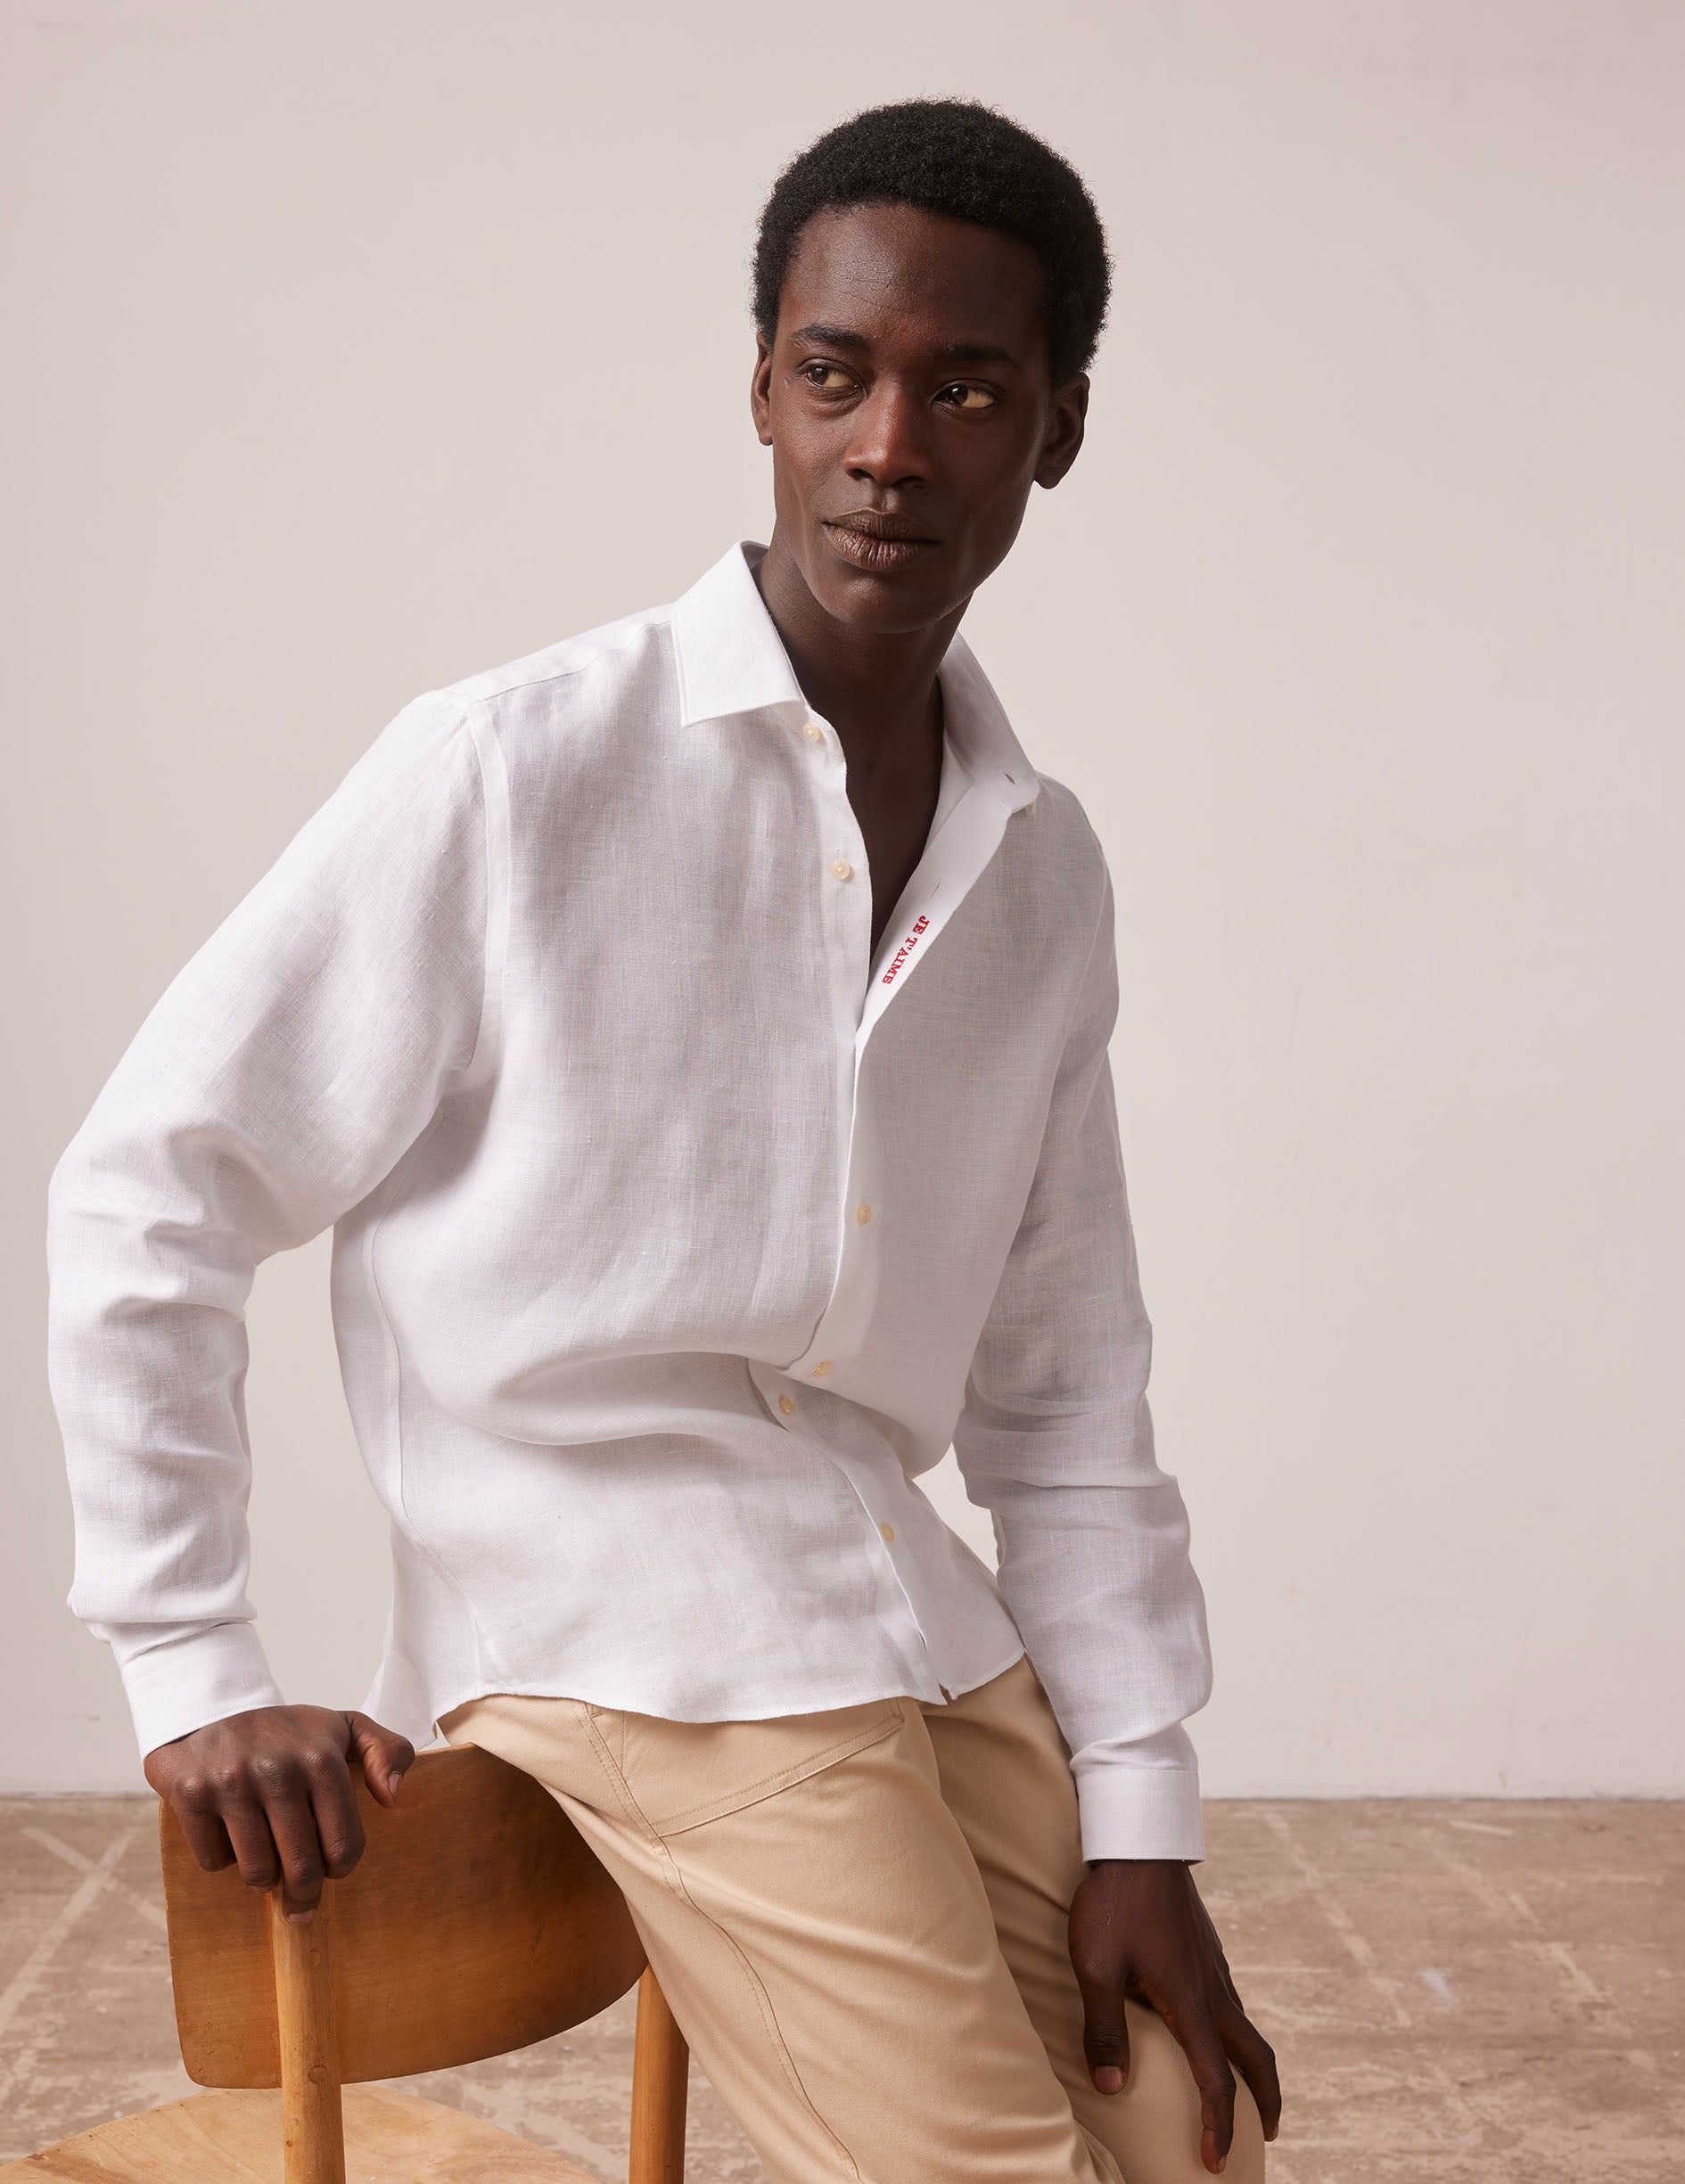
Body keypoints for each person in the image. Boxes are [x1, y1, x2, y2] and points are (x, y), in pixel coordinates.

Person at [47, 98, 1278, 2183]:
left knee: (1193, 2135)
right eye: (836, 373)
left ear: (1057, 429)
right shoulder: (512, 773)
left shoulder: (1043, 871)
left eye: (967, 390)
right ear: (764, 393)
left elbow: (1067, 1385)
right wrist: (189, 1658)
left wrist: (1141, 1811)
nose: (889, 447)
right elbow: (153, 1180)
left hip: (900, 1609)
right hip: (627, 1627)